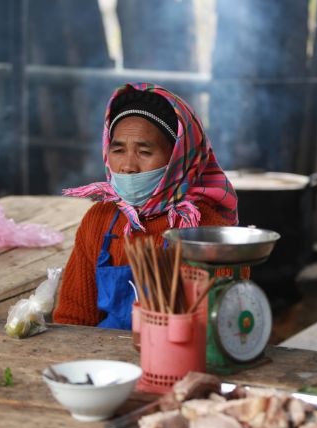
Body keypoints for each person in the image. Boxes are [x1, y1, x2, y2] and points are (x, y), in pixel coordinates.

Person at [53, 83, 238, 329]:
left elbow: (219, 330)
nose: (128, 166)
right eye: (118, 150)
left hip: (177, 359)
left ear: (178, 158)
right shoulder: (99, 219)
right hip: (103, 362)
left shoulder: (206, 230)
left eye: (144, 151)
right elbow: (73, 320)